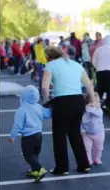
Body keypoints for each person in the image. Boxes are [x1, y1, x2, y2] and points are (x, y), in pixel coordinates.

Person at [41, 46, 96, 175]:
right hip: (78, 101)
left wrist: (46, 100)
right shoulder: (76, 64)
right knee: (75, 133)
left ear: (49, 56)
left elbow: (44, 87)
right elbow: (88, 84)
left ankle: (62, 168)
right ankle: (84, 164)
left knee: (59, 135)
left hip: (62, 102)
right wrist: (92, 100)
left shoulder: (50, 65)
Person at [8, 85, 52, 182]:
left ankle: (39, 169)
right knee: (35, 154)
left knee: (27, 154)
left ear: (23, 97)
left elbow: (17, 125)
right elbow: (48, 115)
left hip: (28, 137)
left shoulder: (21, 110)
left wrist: (12, 136)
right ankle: (34, 170)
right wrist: (51, 106)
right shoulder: (39, 107)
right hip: (39, 135)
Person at [92, 35, 110, 116]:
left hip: (100, 72)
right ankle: (109, 107)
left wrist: (98, 67)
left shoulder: (98, 50)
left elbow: (94, 61)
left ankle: (98, 106)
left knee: (100, 89)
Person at [81, 93, 105, 166]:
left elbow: (96, 113)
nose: (97, 103)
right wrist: (82, 130)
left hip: (99, 133)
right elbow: (82, 121)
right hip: (87, 134)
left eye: (98, 102)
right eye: (95, 101)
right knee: (86, 148)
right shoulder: (85, 111)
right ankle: (88, 159)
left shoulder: (99, 110)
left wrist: (90, 107)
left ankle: (97, 158)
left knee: (99, 148)